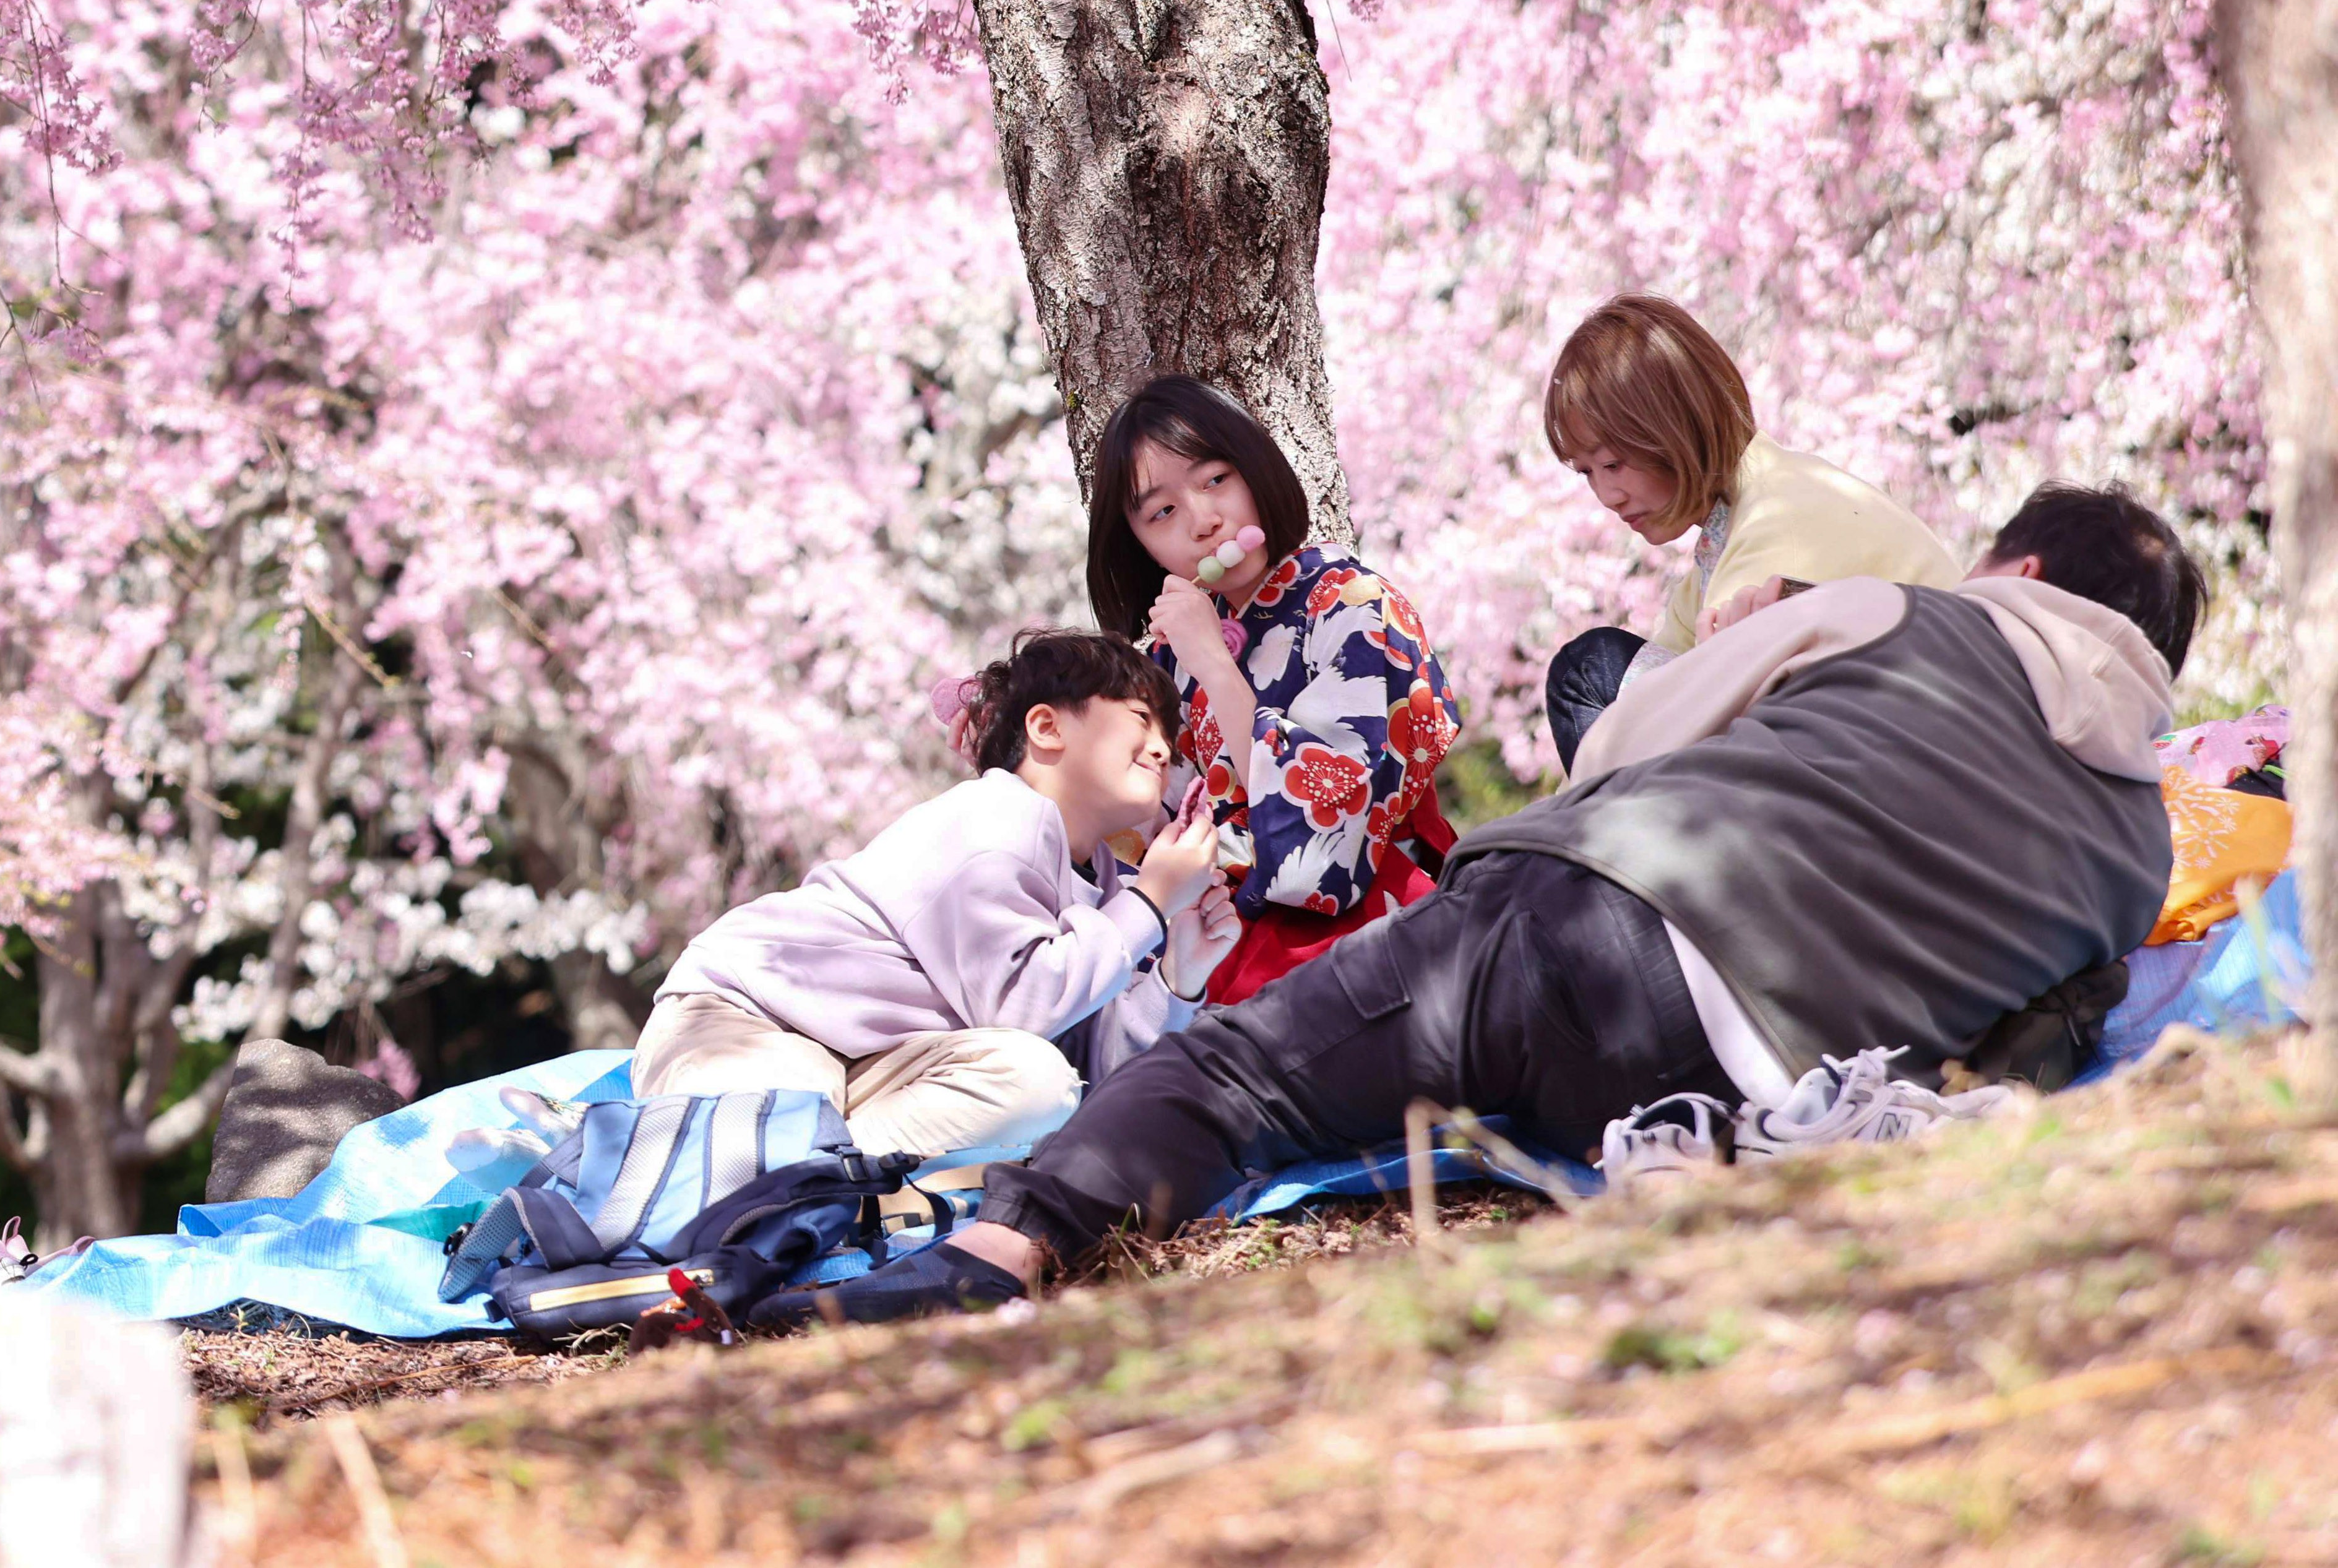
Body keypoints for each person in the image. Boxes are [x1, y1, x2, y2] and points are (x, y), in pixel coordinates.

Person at [761, 483, 2195, 1329]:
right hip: (1752, 1080)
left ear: (2015, 568)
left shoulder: (1908, 610)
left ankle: (988, 1259)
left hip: (1598, 925)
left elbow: (1636, 733)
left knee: (1236, 1070)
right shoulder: (2141, 840)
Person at [630, 632, 1246, 1158]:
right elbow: (1022, 1005)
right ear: (1046, 726)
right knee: (781, 1124)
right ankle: (798, 1175)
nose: (1164, 748)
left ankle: (832, 1178)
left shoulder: (1105, 879)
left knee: (1041, 1085)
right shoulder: (999, 813)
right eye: (1142, 718)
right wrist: (1150, 900)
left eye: (1169, 732)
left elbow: (1084, 1065)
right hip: (751, 1018)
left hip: (877, 1064)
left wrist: (1176, 978)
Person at [1088, 377, 1463, 1005]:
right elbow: (1141, 827)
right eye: (1163, 512)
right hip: (1207, 950)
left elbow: (1335, 835)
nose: (1205, 522)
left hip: (1360, 941)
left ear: (1254, 468)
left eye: (1214, 481)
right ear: (1140, 543)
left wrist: (1213, 661)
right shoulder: (1161, 657)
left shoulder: (1353, 605)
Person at [1535, 293, 1964, 760]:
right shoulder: (1739, 525)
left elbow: (1712, 720)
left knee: (1588, 669)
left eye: (1613, 463)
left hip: (1922, 755)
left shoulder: (1781, 520)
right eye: (1586, 473)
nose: (1606, 496)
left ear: (1675, 427)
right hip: (1898, 752)